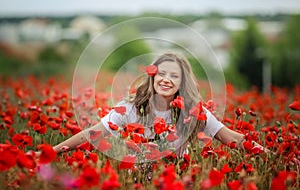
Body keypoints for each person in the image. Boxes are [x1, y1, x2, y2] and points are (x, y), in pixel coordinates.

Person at [50, 52, 266, 159]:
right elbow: (92, 134)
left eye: (174, 76)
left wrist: (276, 158)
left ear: (182, 82)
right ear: (153, 76)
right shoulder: (130, 107)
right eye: (162, 73)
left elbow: (232, 139)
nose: (166, 79)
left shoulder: (194, 112)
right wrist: (52, 152)